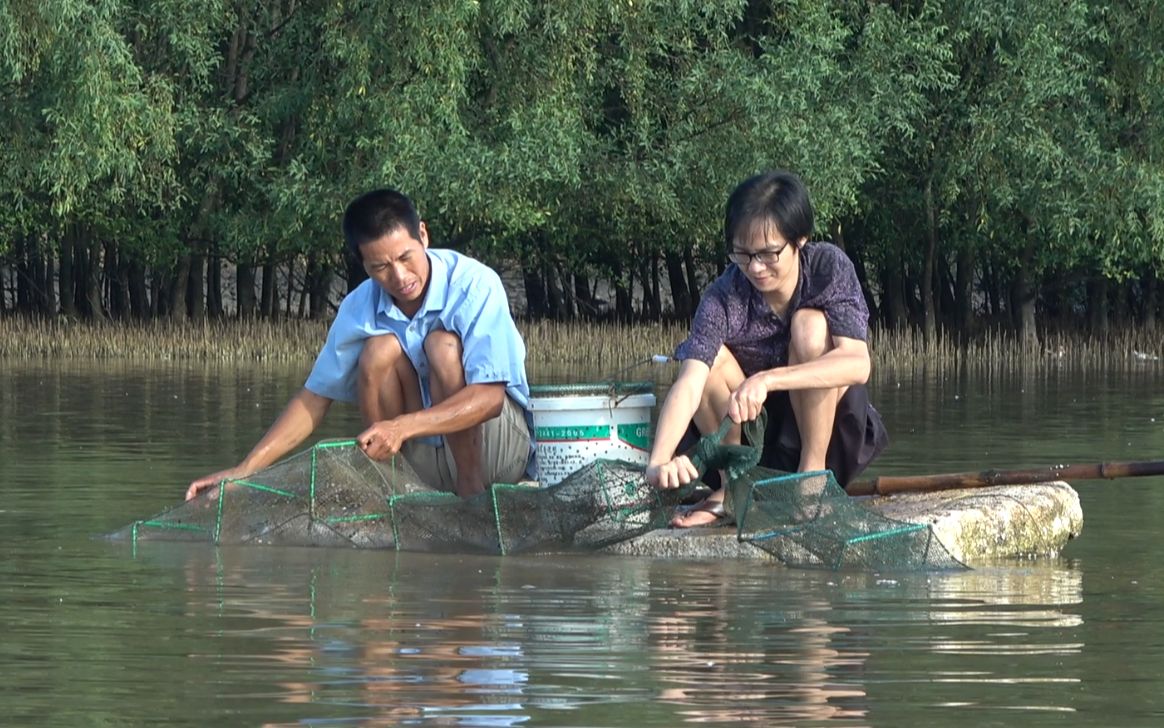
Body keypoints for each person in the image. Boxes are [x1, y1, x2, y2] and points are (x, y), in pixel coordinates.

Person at [187, 188, 534, 501]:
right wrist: (244, 471)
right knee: (378, 350)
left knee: (441, 345)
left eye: (405, 257)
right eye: (380, 267)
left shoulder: (475, 285)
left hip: (496, 451)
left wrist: (401, 427)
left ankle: (471, 497)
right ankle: (392, 492)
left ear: (423, 236)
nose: (399, 277)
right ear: (363, 264)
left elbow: (489, 399)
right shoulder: (358, 307)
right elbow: (313, 399)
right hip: (422, 460)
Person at [644, 170, 887, 527]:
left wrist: (769, 380)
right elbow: (691, 382)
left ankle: (811, 478)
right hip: (751, 438)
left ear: (799, 240)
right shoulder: (723, 296)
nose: (755, 268)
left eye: (768, 254)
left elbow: (856, 364)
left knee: (810, 326)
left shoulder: (827, 268)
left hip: (825, 436)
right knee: (710, 362)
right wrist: (659, 461)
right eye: (743, 254)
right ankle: (731, 490)